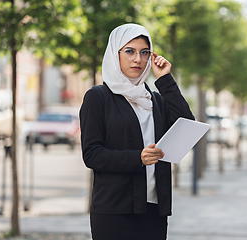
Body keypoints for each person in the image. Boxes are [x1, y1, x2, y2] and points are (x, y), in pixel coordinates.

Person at [79, 23, 194, 240]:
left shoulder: (155, 99)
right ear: (116, 54)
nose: (138, 59)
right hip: (114, 210)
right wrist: (138, 158)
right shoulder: (98, 97)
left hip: (153, 209)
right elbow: (92, 154)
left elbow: (186, 124)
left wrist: (165, 80)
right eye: (130, 51)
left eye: (144, 52)